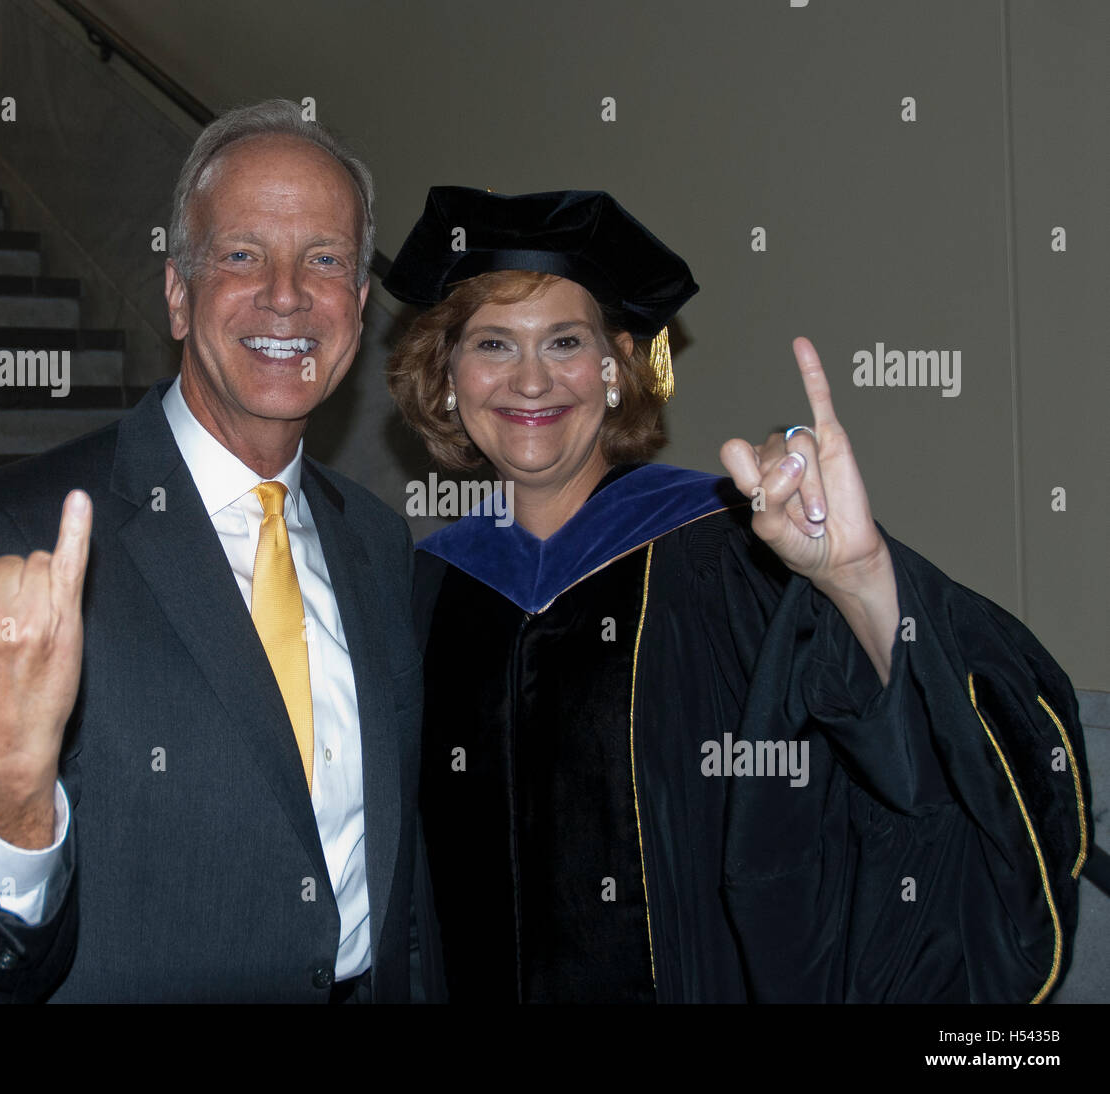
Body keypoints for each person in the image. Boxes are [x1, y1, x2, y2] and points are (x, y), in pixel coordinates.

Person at [383, 186, 1092, 1003]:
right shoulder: (426, 588)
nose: (531, 380)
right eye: (494, 344)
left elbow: (896, 751)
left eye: (566, 342)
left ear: (616, 372)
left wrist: (859, 579)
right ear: (448, 379)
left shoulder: (724, 554)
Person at [0, 100, 424, 1002]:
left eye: (326, 260)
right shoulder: (18, 537)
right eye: (240, 255)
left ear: (359, 307)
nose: (287, 293)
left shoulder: (378, 542)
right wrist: (1, 797)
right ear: (178, 296)